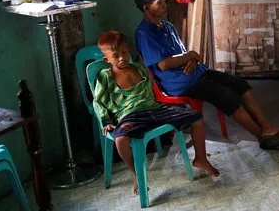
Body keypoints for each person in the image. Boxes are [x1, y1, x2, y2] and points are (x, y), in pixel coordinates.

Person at [134, 0, 279, 150]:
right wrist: (189, 57)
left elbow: (183, 53)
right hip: (178, 83)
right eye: (159, 2)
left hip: (195, 72)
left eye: (164, 1)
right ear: (147, 8)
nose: (165, 5)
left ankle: (268, 128)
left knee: (240, 86)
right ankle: (262, 137)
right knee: (228, 98)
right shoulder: (144, 33)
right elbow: (163, 64)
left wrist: (192, 59)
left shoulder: (167, 26)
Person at [93, 31, 220, 195]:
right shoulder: (106, 77)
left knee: (196, 118)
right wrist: (106, 121)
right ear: (107, 60)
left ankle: (201, 158)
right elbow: (99, 102)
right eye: (116, 56)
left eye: (124, 52)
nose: (122, 58)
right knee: (121, 140)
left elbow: (156, 92)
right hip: (130, 115)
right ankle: (136, 172)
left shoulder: (140, 68)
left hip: (155, 109)